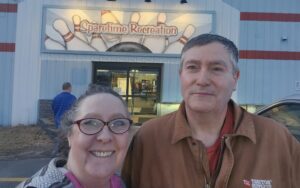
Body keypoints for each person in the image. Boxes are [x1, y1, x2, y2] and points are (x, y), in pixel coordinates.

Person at [121, 34, 300, 188]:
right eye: (193, 67)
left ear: (235, 78)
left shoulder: (277, 140)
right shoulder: (148, 138)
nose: (202, 80)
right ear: (181, 75)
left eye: (216, 69)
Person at [18, 85, 132, 188]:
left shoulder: (122, 182)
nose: (105, 137)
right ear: (69, 134)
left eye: (118, 123)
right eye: (90, 123)